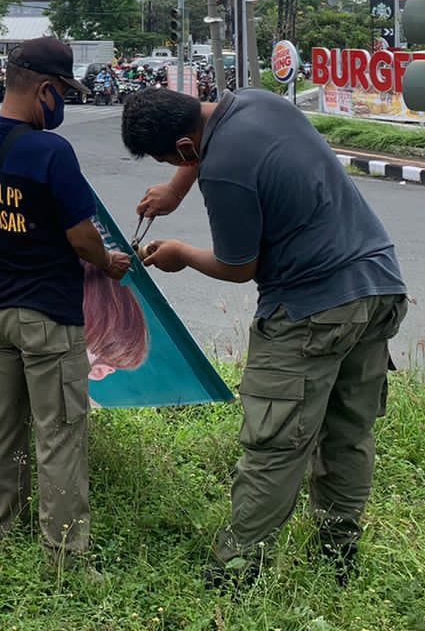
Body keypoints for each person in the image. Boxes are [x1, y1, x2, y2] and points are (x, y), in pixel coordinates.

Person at [121, 86, 408, 585]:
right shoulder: (257, 102)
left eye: (171, 159)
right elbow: (208, 143)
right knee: (348, 432)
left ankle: (235, 571)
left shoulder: (223, 174)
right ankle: (338, 555)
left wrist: (182, 255)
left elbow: (238, 266)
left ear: (186, 148)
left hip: (310, 311)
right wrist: (175, 188)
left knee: (275, 445)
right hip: (378, 287)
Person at [0, 37, 130, 564]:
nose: (63, 104)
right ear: (46, 90)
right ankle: (64, 558)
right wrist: (108, 261)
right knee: (60, 435)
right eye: (63, 93)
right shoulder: (52, 152)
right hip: (48, 317)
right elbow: (80, 236)